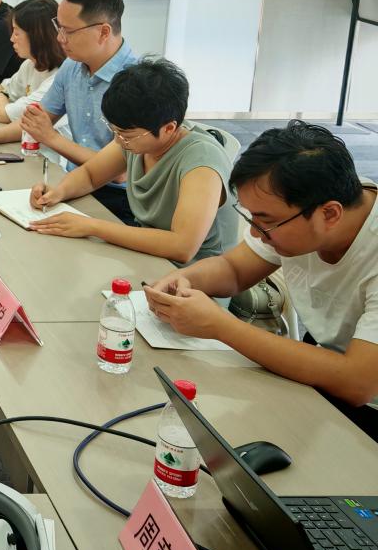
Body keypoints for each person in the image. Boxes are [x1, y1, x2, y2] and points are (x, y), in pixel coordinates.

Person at [145, 122, 378, 439]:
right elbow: (234, 270)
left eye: (265, 222)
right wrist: (181, 278)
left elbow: (357, 383)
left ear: (330, 214)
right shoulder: (310, 202)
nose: (255, 234)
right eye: (250, 218)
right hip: (327, 359)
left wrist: (219, 326)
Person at [27, 58, 239, 264]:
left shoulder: (201, 161)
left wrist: (92, 226)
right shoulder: (137, 140)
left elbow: (182, 247)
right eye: (115, 131)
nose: (119, 140)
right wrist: (58, 192)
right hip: (149, 256)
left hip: (196, 273)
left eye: (126, 135)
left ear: (169, 128)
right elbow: (91, 175)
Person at [0, 0, 138, 223]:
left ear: (103, 32)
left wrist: (52, 139)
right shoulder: (72, 67)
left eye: (68, 31)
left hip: (119, 200)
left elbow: (118, 173)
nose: (59, 38)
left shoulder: (135, 82)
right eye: (59, 26)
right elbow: (39, 121)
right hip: (72, 184)